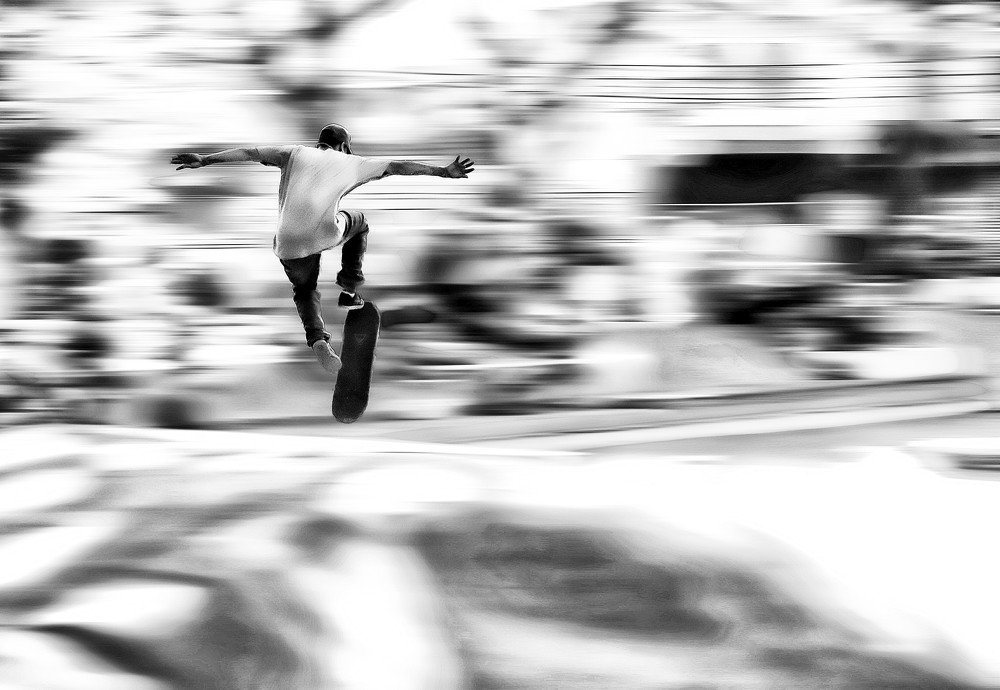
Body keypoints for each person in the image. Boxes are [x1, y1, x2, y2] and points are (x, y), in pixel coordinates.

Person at [171, 124, 475, 374]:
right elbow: (398, 167)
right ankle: (349, 290)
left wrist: (205, 160)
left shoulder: (292, 153)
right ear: (343, 146)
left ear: (320, 143)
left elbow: (249, 153)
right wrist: (442, 172)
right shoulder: (352, 162)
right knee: (360, 223)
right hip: (326, 232)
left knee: (304, 291)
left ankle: (318, 340)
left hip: (287, 243)